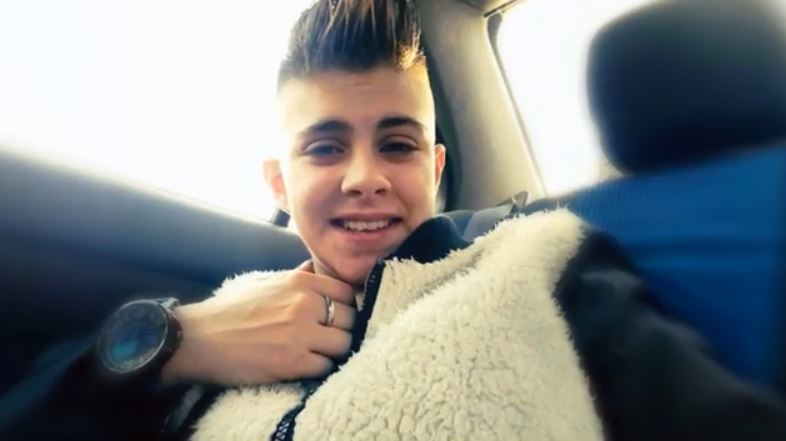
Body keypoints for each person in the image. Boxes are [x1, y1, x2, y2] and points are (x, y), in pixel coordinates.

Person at [2, 1, 786, 440]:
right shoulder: (230, 316)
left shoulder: (544, 266)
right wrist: (177, 343)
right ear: (279, 181)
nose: (365, 177)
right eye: (324, 146)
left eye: (398, 143)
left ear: (435, 169)